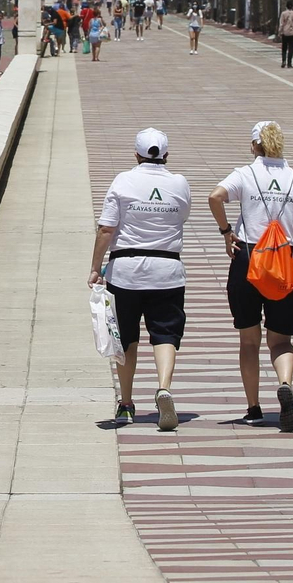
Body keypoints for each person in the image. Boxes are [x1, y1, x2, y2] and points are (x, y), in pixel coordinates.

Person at [208, 121, 293, 430]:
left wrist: (227, 232)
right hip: (284, 258)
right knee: (281, 339)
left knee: (249, 340)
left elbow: (215, 196)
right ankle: (285, 383)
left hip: (248, 258)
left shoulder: (245, 174)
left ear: (255, 145)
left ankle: (253, 407)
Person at [89, 128, 190, 431]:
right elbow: (181, 216)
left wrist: (95, 267)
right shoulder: (179, 183)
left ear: (136, 154)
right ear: (166, 155)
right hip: (168, 271)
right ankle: (163, 387)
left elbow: (107, 229)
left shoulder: (123, 180)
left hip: (126, 272)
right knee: (166, 335)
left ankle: (126, 404)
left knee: (126, 339)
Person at [278, 2, 293, 69]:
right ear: (292, 7)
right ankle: (289, 63)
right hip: (292, 33)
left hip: (285, 33)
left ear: (286, 6)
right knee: (291, 49)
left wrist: (280, 32)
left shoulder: (283, 14)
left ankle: (283, 61)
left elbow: (281, 24)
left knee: (284, 48)